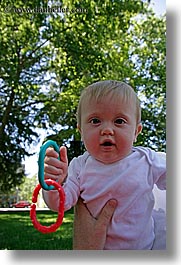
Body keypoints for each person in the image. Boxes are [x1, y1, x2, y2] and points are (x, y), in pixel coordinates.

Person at [42, 80, 166, 250]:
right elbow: (60, 204)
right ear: (81, 132)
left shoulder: (147, 159)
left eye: (119, 121)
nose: (107, 129)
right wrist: (52, 183)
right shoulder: (79, 166)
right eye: (95, 121)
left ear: (136, 132)